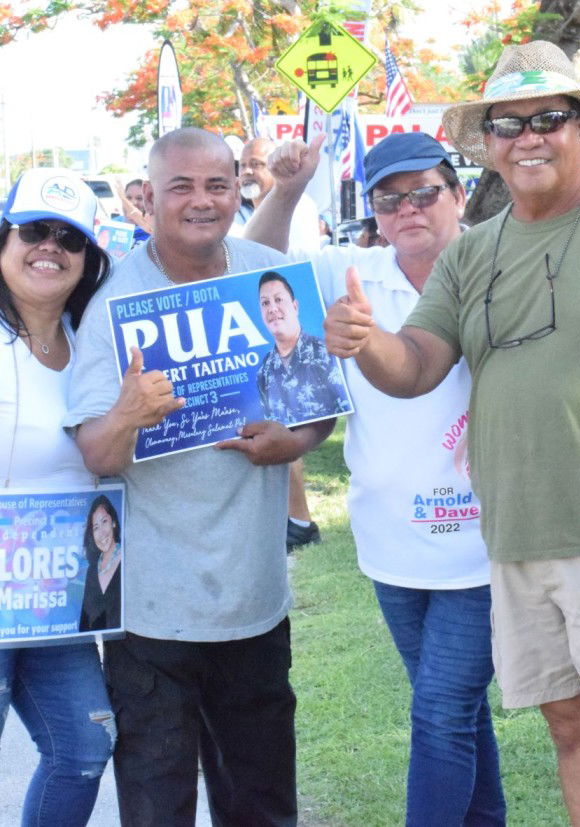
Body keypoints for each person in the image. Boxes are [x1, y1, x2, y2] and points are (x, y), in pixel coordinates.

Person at [321, 40, 580, 826]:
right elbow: (414, 365)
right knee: (571, 728)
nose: (528, 137)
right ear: (486, 147)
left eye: (549, 117)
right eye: (507, 125)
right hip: (512, 540)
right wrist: (364, 339)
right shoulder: (472, 253)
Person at [65, 127, 334, 826]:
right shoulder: (114, 304)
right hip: (151, 616)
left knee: (262, 802)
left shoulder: (267, 275)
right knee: (158, 808)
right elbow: (97, 453)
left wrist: (292, 439)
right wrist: (127, 412)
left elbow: (317, 414)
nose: (200, 200)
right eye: (180, 186)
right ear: (148, 197)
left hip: (253, 599)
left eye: (216, 184)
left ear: (238, 189)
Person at [248, 130, 505, 827]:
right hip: (391, 543)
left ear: (458, 195)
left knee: (440, 710)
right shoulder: (350, 270)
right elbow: (256, 265)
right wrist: (288, 188)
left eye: (425, 192)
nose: (407, 210)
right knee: (451, 707)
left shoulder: (504, 260)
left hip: (483, 543)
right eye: (389, 200)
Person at [0, 168, 115, 825]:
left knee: (84, 744)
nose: (51, 246)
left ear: (89, 260)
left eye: (69, 237)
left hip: (58, 598)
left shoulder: (91, 346)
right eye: (34, 230)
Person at [234, 138, 324, 549]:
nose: (248, 172)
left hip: (290, 334)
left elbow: (276, 264)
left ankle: (300, 521)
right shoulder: (242, 210)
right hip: (256, 333)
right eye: (243, 165)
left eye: (256, 163)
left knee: (288, 429)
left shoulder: (297, 207)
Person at [255, 270, 349, 425]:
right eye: (265, 303)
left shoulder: (326, 353)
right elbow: (269, 422)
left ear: (295, 307)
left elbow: (345, 416)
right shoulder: (264, 371)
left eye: (278, 299)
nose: (272, 309)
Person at [79, 494, 123, 632]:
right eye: (96, 527)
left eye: (104, 521)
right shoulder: (92, 570)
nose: (102, 532)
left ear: (114, 522)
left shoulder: (128, 559)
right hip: (107, 650)